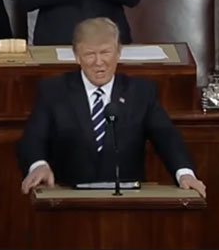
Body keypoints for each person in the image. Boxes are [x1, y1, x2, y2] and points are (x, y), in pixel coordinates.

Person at [17, 17, 206, 198]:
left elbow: (166, 136)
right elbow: (33, 138)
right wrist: (38, 165)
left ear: (118, 52)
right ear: (76, 56)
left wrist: (184, 173)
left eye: (105, 53)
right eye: (90, 54)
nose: (99, 62)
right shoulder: (55, 91)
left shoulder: (140, 92)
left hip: (127, 203)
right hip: (69, 201)